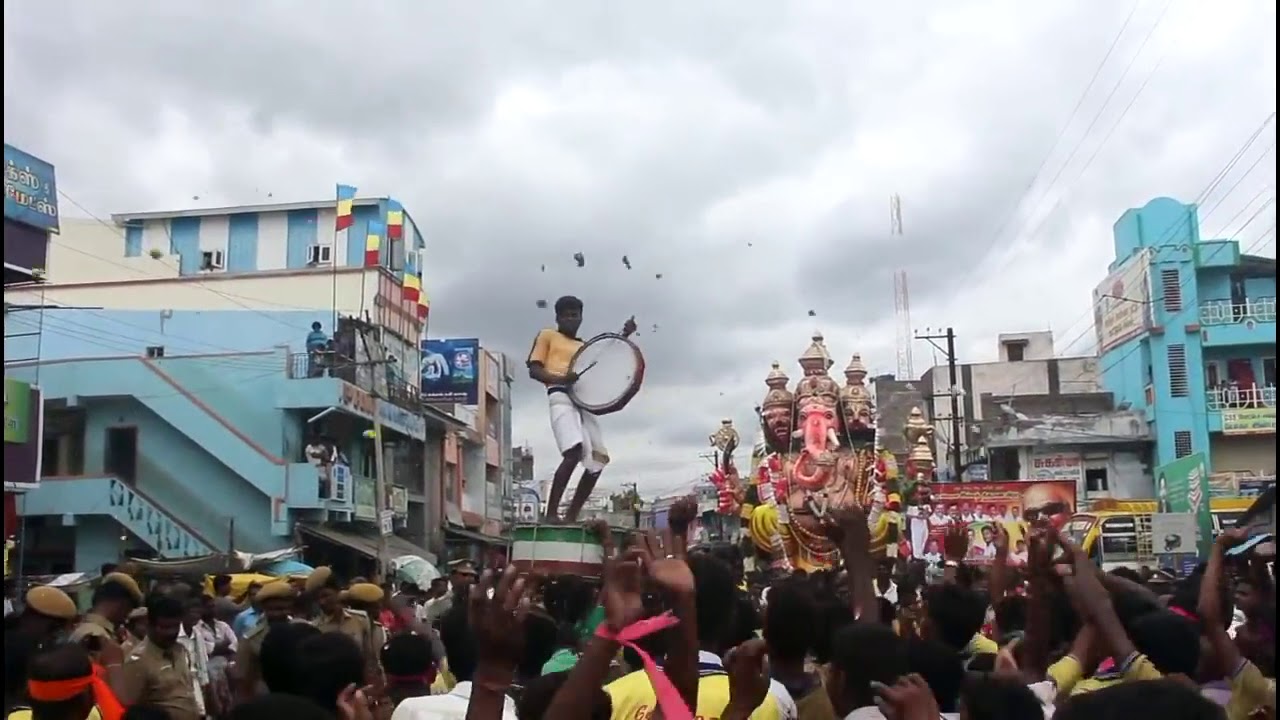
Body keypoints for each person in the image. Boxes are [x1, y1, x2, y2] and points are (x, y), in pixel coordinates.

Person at [526, 295, 636, 522]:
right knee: (573, 451)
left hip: (582, 401)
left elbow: (603, 357)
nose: (570, 319)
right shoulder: (548, 335)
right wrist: (561, 378)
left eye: (575, 315)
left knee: (598, 461)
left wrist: (624, 335)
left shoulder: (583, 347)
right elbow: (534, 370)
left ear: (581, 317)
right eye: (566, 315)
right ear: (557, 317)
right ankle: (551, 514)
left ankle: (571, 516)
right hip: (559, 395)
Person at [116, 595, 201, 720]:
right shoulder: (138, 660)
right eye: (165, 627)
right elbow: (129, 708)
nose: (171, 632)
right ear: (150, 625)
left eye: (175, 626)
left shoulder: (180, 650)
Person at [304, 568, 379, 684]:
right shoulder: (314, 628)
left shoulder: (360, 619)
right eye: (317, 599)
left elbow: (370, 657)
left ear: (338, 591)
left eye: (326, 595)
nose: (322, 602)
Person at [234, 581, 297, 699]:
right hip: (267, 697)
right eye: (273, 609)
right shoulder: (251, 638)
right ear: (264, 609)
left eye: (283, 608)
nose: (279, 614)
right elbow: (242, 678)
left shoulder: (301, 629)